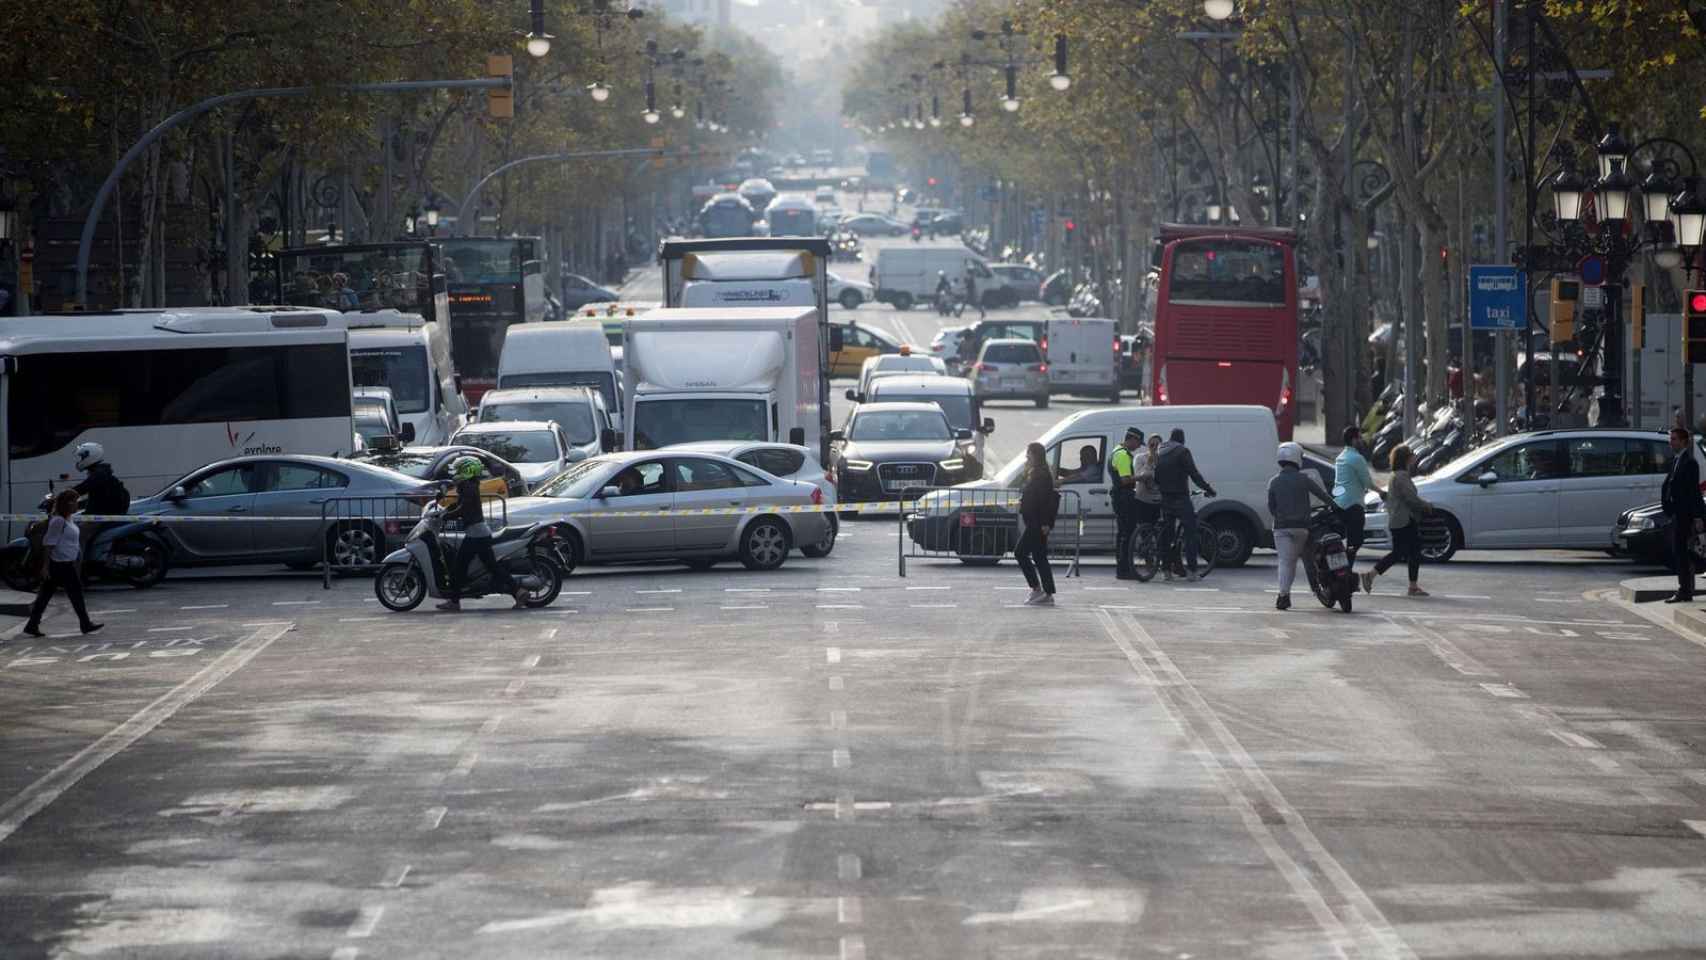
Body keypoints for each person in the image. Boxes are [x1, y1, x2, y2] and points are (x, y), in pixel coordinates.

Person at [439, 456, 519, 611]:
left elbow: (464, 508)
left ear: (467, 471)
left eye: (459, 470)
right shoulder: (468, 485)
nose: (455, 474)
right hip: (478, 533)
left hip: (476, 534)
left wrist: (446, 516)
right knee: (492, 567)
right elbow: (460, 504)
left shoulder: (468, 486)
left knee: (459, 567)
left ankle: (454, 602)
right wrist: (446, 510)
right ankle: (518, 591)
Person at [1268, 442, 1339, 611]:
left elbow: (1272, 507)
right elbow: (1323, 496)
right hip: (1303, 528)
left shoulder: (1274, 482)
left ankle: (1284, 596)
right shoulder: (1304, 479)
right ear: (1297, 459)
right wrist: (1337, 507)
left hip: (1281, 528)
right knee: (1309, 557)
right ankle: (1316, 587)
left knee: (1286, 562)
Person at [22, 490, 102, 637]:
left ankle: (32, 625)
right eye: (74, 501)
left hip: (65, 563)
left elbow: (70, 541)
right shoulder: (58, 521)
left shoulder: (68, 519)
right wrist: (45, 567)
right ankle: (85, 624)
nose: (77, 504)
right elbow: (49, 544)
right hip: (59, 564)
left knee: (44, 597)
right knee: (75, 594)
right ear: (66, 503)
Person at [1361, 444, 1432, 597]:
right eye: (1411, 453)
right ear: (1406, 458)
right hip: (1404, 520)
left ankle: (1412, 586)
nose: (1414, 456)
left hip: (1400, 519)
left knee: (1412, 551)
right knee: (1402, 552)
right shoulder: (1401, 476)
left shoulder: (1398, 475)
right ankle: (1370, 575)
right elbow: (1410, 498)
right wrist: (1426, 505)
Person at [1154, 428, 1216, 581]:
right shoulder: (1182, 451)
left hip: (1165, 498)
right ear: (1182, 439)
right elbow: (1193, 473)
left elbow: (1156, 476)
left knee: (1167, 535)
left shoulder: (1160, 451)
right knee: (1190, 534)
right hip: (1180, 498)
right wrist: (1208, 488)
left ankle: (1167, 571)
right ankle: (1192, 572)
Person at [71, 442, 129, 580]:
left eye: (82, 456)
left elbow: (84, 488)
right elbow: (94, 497)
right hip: (100, 514)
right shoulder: (99, 472)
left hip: (103, 516)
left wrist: (67, 493)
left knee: (78, 536)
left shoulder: (99, 474)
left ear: (90, 456)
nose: (80, 460)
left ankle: (75, 577)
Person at [1662, 426, 1705, 603]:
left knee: (1684, 552)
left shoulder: (1690, 463)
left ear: (1683, 442)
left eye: (1674, 439)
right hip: (1678, 514)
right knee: (1680, 552)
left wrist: (1697, 517)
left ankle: (1685, 590)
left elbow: (1693, 492)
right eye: (1670, 439)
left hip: (1686, 515)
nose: (1670, 443)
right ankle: (1684, 589)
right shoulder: (1676, 460)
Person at [1332, 426, 1384, 564]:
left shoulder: (1340, 457)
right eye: (1360, 438)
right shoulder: (1357, 458)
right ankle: (1344, 569)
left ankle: (1343, 569)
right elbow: (1367, 483)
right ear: (1354, 440)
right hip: (1353, 505)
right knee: (1356, 541)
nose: (1362, 440)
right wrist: (1382, 492)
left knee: (1350, 542)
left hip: (1339, 504)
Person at [1017, 442, 1059, 607]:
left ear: (1036, 455)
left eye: (1029, 453)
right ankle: (1045, 593)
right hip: (1034, 521)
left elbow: (1044, 502)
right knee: (1039, 556)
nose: (1027, 456)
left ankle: (1038, 589)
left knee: (1020, 553)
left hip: (1037, 523)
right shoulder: (1035, 472)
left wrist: (1045, 523)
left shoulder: (1041, 475)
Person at [1107, 427, 1144, 580]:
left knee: (1123, 533)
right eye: (1138, 443)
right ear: (1132, 439)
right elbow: (1125, 479)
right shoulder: (1123, 455)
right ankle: (1124, 570)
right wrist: (1142, 476)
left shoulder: (1117, 450)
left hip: (1120, 497)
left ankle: (1122, 568)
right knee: (1127, 534)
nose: (1138, 447)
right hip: (1124, 497)